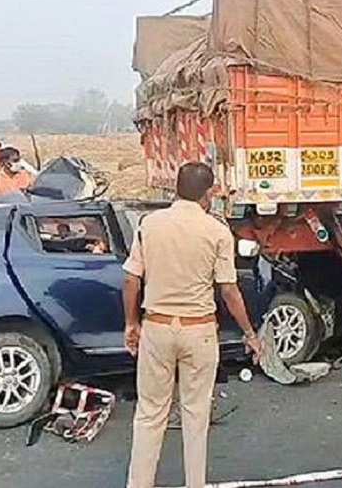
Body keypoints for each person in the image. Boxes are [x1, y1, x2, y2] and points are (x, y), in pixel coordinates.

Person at [123, 162, 263, 488]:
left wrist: (131, 323)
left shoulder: (150, 224)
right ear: (209, 193)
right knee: (195, 416)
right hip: (198, 331)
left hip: (156, 327)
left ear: (176, 187)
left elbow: (131, 279)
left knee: (149, 415)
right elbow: (228, 289)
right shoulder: (216, 232)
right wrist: (249, 333)